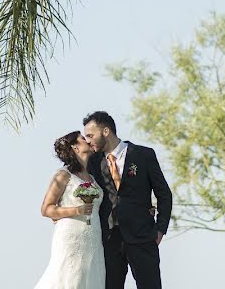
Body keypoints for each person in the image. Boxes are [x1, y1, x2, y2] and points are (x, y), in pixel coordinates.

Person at [83, 111, 172, 289]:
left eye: (90, 135)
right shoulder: (92, 162)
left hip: (143, 237)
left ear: (106, 131)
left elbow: (164, 194)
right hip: (109, 241)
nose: (88, 141)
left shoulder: (143, 155)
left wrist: (160, 229)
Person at [34, 131, 105, 289]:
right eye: (82, 139)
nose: (87, 140)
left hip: (93, 239)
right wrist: (77, 210)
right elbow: (46, 209)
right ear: (75, 147)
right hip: (71, 238)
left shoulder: (93, 178)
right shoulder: (63, 175)